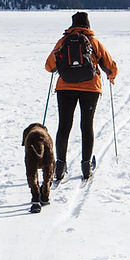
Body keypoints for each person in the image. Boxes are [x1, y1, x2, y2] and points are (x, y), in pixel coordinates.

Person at [45, 11, 117, 181]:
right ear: (88, 24)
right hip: (91, 89)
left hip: (65, 88)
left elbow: (49, 66)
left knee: (64, 125)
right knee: (86, 125)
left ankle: (60, 166)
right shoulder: (93, 42)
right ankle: (86, 167)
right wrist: (111, 76)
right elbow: (110, 65)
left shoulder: (63, 42)